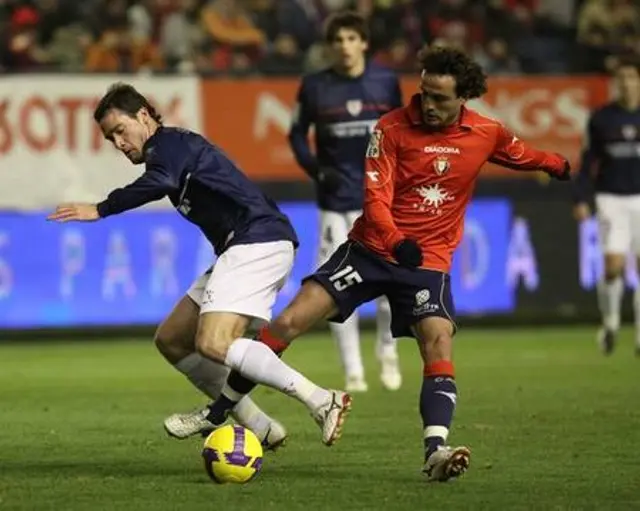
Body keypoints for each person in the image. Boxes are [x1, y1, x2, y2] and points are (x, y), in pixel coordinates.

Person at [162, 46, 571, 481]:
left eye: (440, 99)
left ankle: (436, 450)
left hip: (426, 261)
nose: (428, 104)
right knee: (288, 322)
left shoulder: (486, 132)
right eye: (424, 93)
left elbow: (523, 154)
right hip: (372, 249)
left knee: (437, 342)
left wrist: (560, 165)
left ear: (464, 97)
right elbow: (375, 200)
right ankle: (220, 410)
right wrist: (396, 241)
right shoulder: (391, 127)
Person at [47, 83, 353, 448]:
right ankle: (260, 426)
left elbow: (160, 181)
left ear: (143, 115)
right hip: (243, 246)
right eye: (110, 138)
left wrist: (102, 208)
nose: (118, 143)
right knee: (173, 338)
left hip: (258, 240)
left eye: (119, 131)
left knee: (213, 342)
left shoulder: (168, 147)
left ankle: (320, 399)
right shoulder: (170, 151)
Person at [288, 11, 404, 393]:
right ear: (330, 46)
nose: (345, 47)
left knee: (390, 285)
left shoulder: (386, 82)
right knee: (337, 291)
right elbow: (295, 134)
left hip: (381, 201)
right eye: (338, 40)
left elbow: (401, 133)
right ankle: (353, 370)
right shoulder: (315, 86)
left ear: (364, 43)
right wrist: (316, 170)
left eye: (352, 38)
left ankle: (388, 353)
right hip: (335, 204)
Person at [573, 56, 640, 356]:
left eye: (632, 78)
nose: (627, 84)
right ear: (616, 84)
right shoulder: (602, 118)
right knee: (614, 267)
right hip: (611, 198)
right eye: (622, 78)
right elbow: (588, 162)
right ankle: (611, 322)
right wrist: (580, 197)